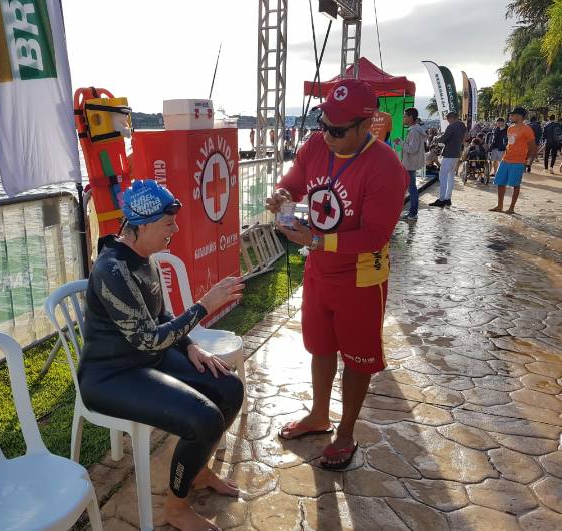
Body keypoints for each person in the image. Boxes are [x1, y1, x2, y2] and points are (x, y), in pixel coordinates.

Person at [79, 179, 245, 531]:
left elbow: (162, 317)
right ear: (142, 226)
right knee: (203, 419)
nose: (176, 229)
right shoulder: (112, 270)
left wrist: (191, 346)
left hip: (145, 357)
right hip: (110, 376)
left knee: (229, 388)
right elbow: (148, 339)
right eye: (168, 223)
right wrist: (203, 306)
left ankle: (196, 471)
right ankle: (176, 508)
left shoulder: (145, 258)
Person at [266, 79, 407, 470]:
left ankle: (346, 431)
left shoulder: (386, 168)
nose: (327, 134)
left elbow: (375, 235)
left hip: (361, 276)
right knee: (320, 346)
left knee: (358, 359)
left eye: (338, 129)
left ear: (367, 125)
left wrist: (317, 241)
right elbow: (294, 183)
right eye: (323, 123)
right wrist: (280, 193)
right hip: (319, 271)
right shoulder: (316, 144)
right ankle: (318, 415)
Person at [490, 106, 536, 214]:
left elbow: (533, 148)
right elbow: (510, 144)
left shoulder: (527, 130)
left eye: (513, 115)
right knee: (500, 183)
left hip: (518, 162)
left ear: (519, 116)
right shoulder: (510, 128)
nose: (510, 116)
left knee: (515, 185)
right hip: (505, 159)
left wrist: (525, 160)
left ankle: (511, 208)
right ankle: (499, 206)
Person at [394, 107, 426, 220]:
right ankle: (411, 212)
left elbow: (412, 149)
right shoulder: (415, 130)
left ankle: (412, 213)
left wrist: (401, 143)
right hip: (410, 164)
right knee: (411, 188)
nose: (403, 119)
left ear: (411, 117)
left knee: (412, 188)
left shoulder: (413, 131)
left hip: (410, 164)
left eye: (404, 116)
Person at [429, 112, 466, 208]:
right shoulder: (462, 125)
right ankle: (448, 198)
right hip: (457, 153)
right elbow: (466, 137)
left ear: (451, 118)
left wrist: (436, 138)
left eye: (448, 119)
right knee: (451, 176)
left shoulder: (451, 126)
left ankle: (441, 199)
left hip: (449, 154)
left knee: (443, 176)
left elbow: (443, 139)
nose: (448, 121)